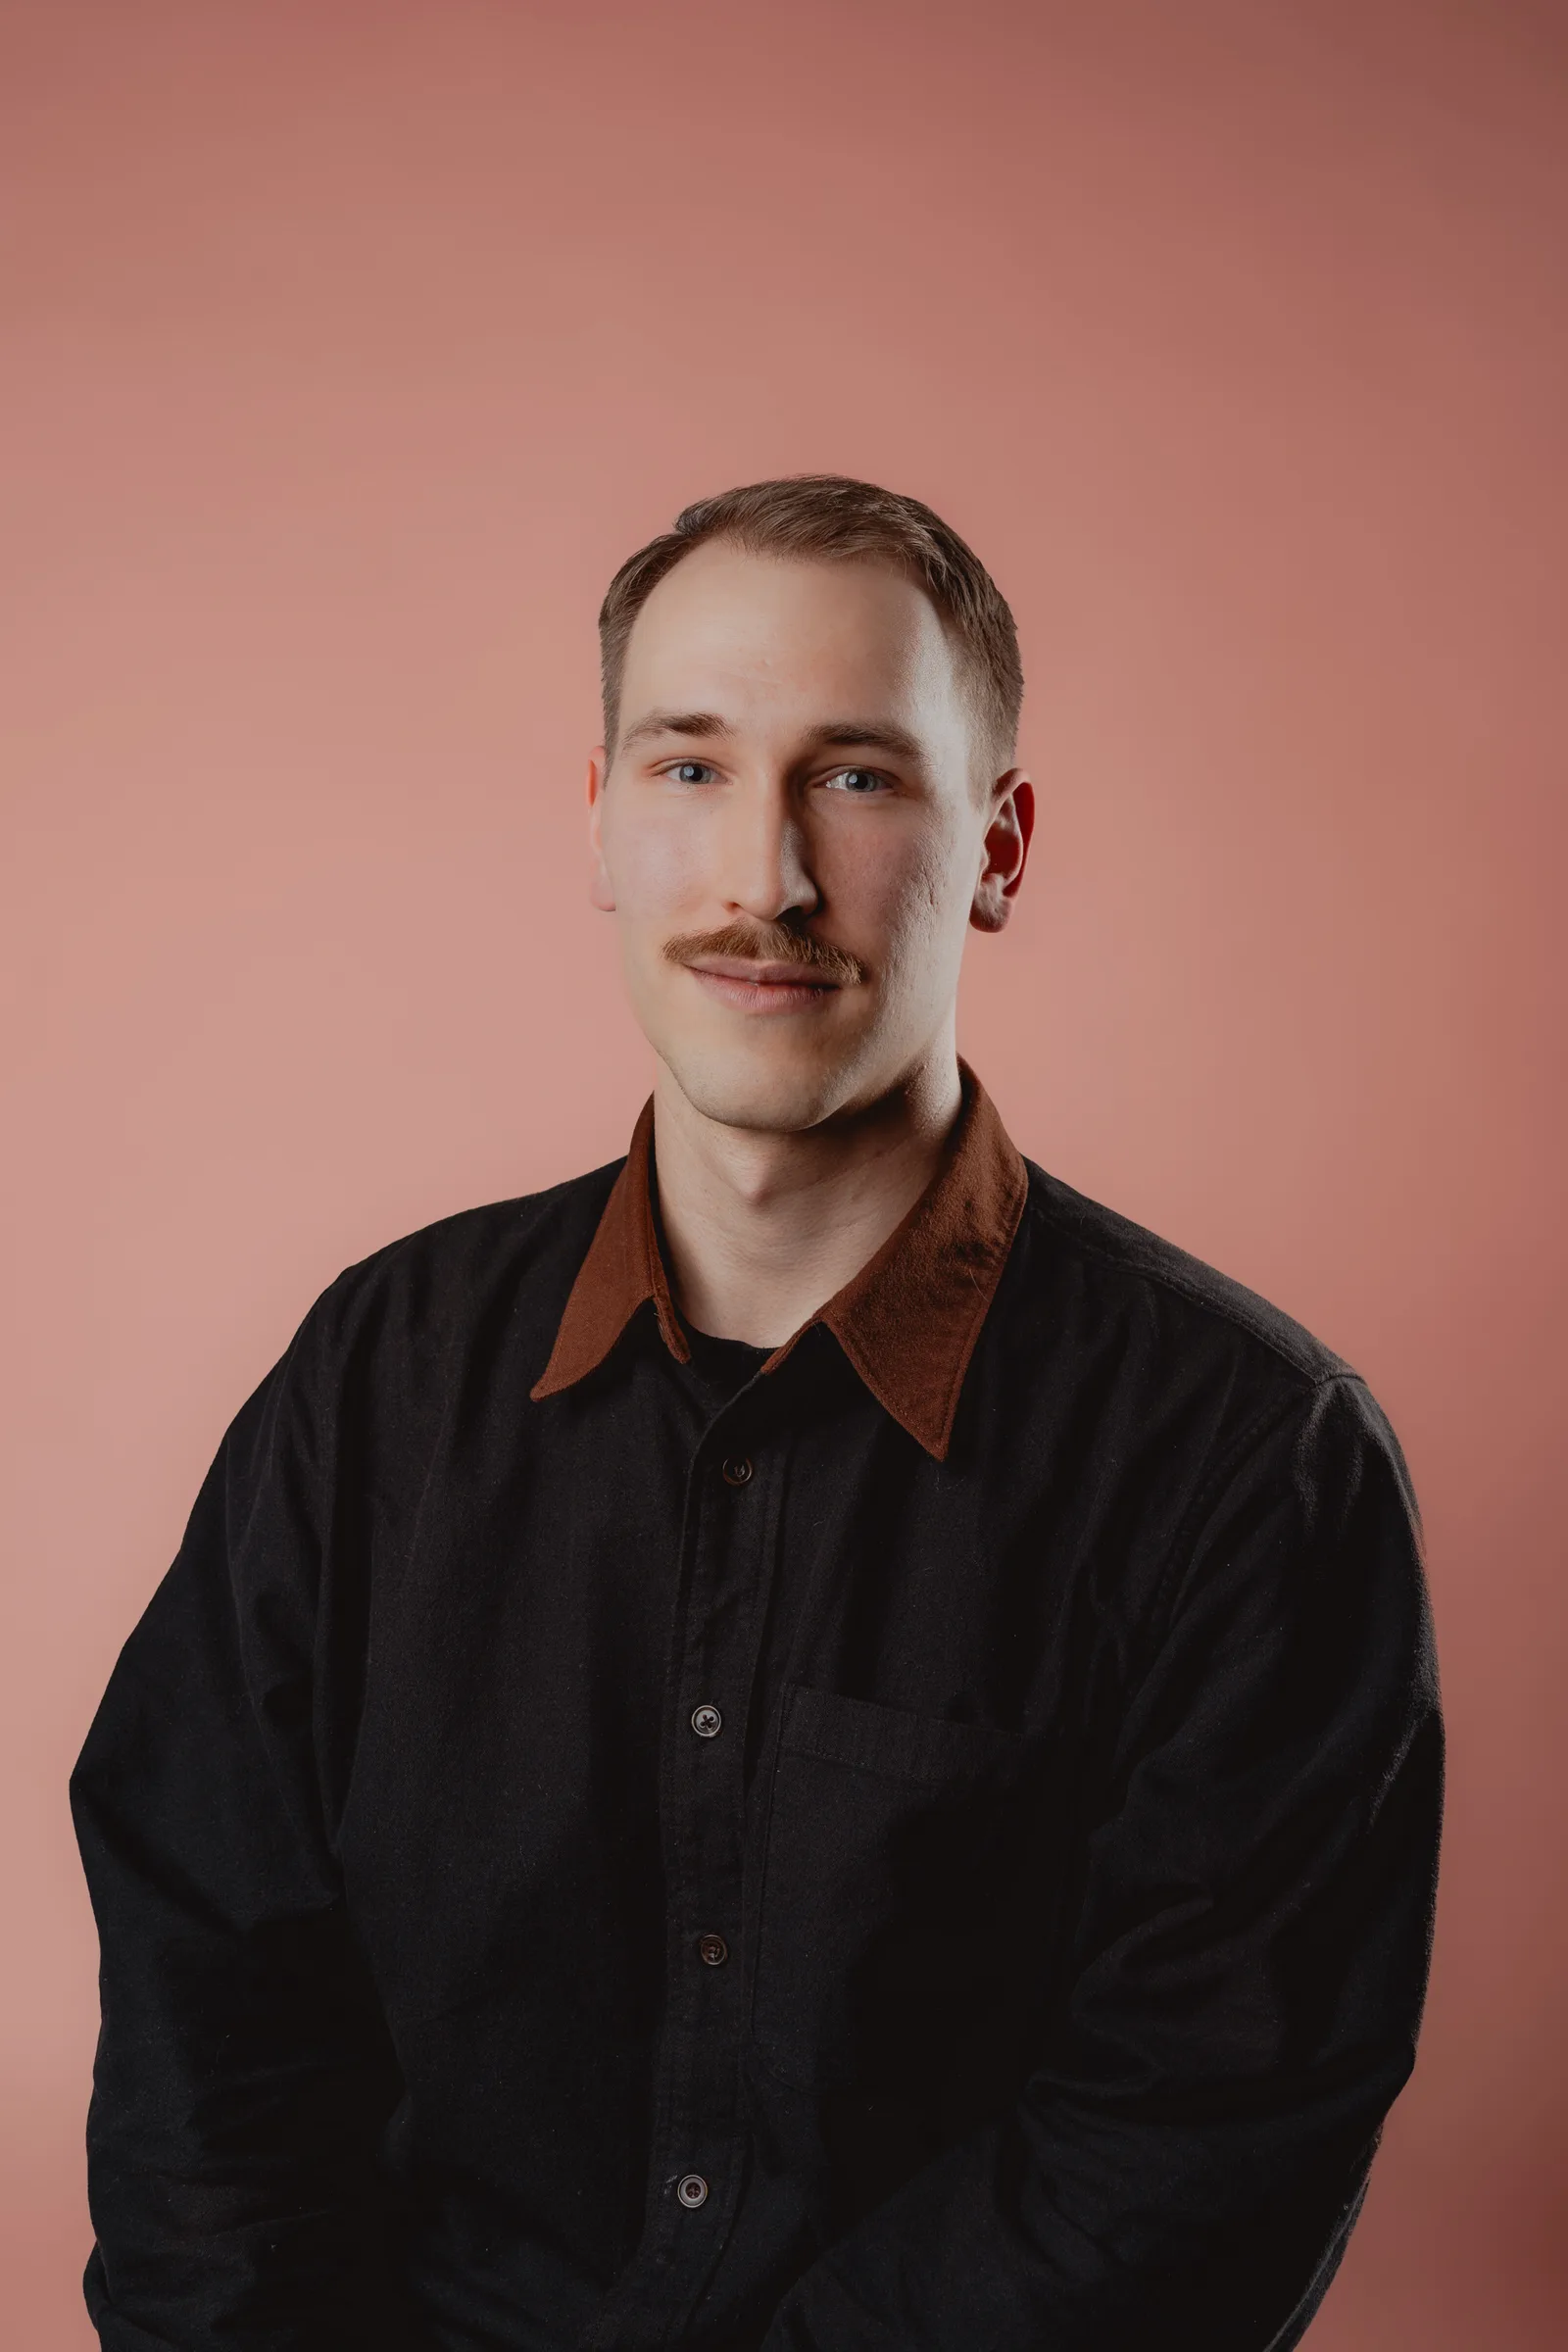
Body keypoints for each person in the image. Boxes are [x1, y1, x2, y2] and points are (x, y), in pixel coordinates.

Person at [73, 475, 1442, 2352]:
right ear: (603, 825)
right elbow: (206, 2030)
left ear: (1002, 844)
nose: (765, 881)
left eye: (860, 778)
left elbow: (1187, 2150)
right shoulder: (379, 1374)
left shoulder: (1249, 1463)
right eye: (693, 770)